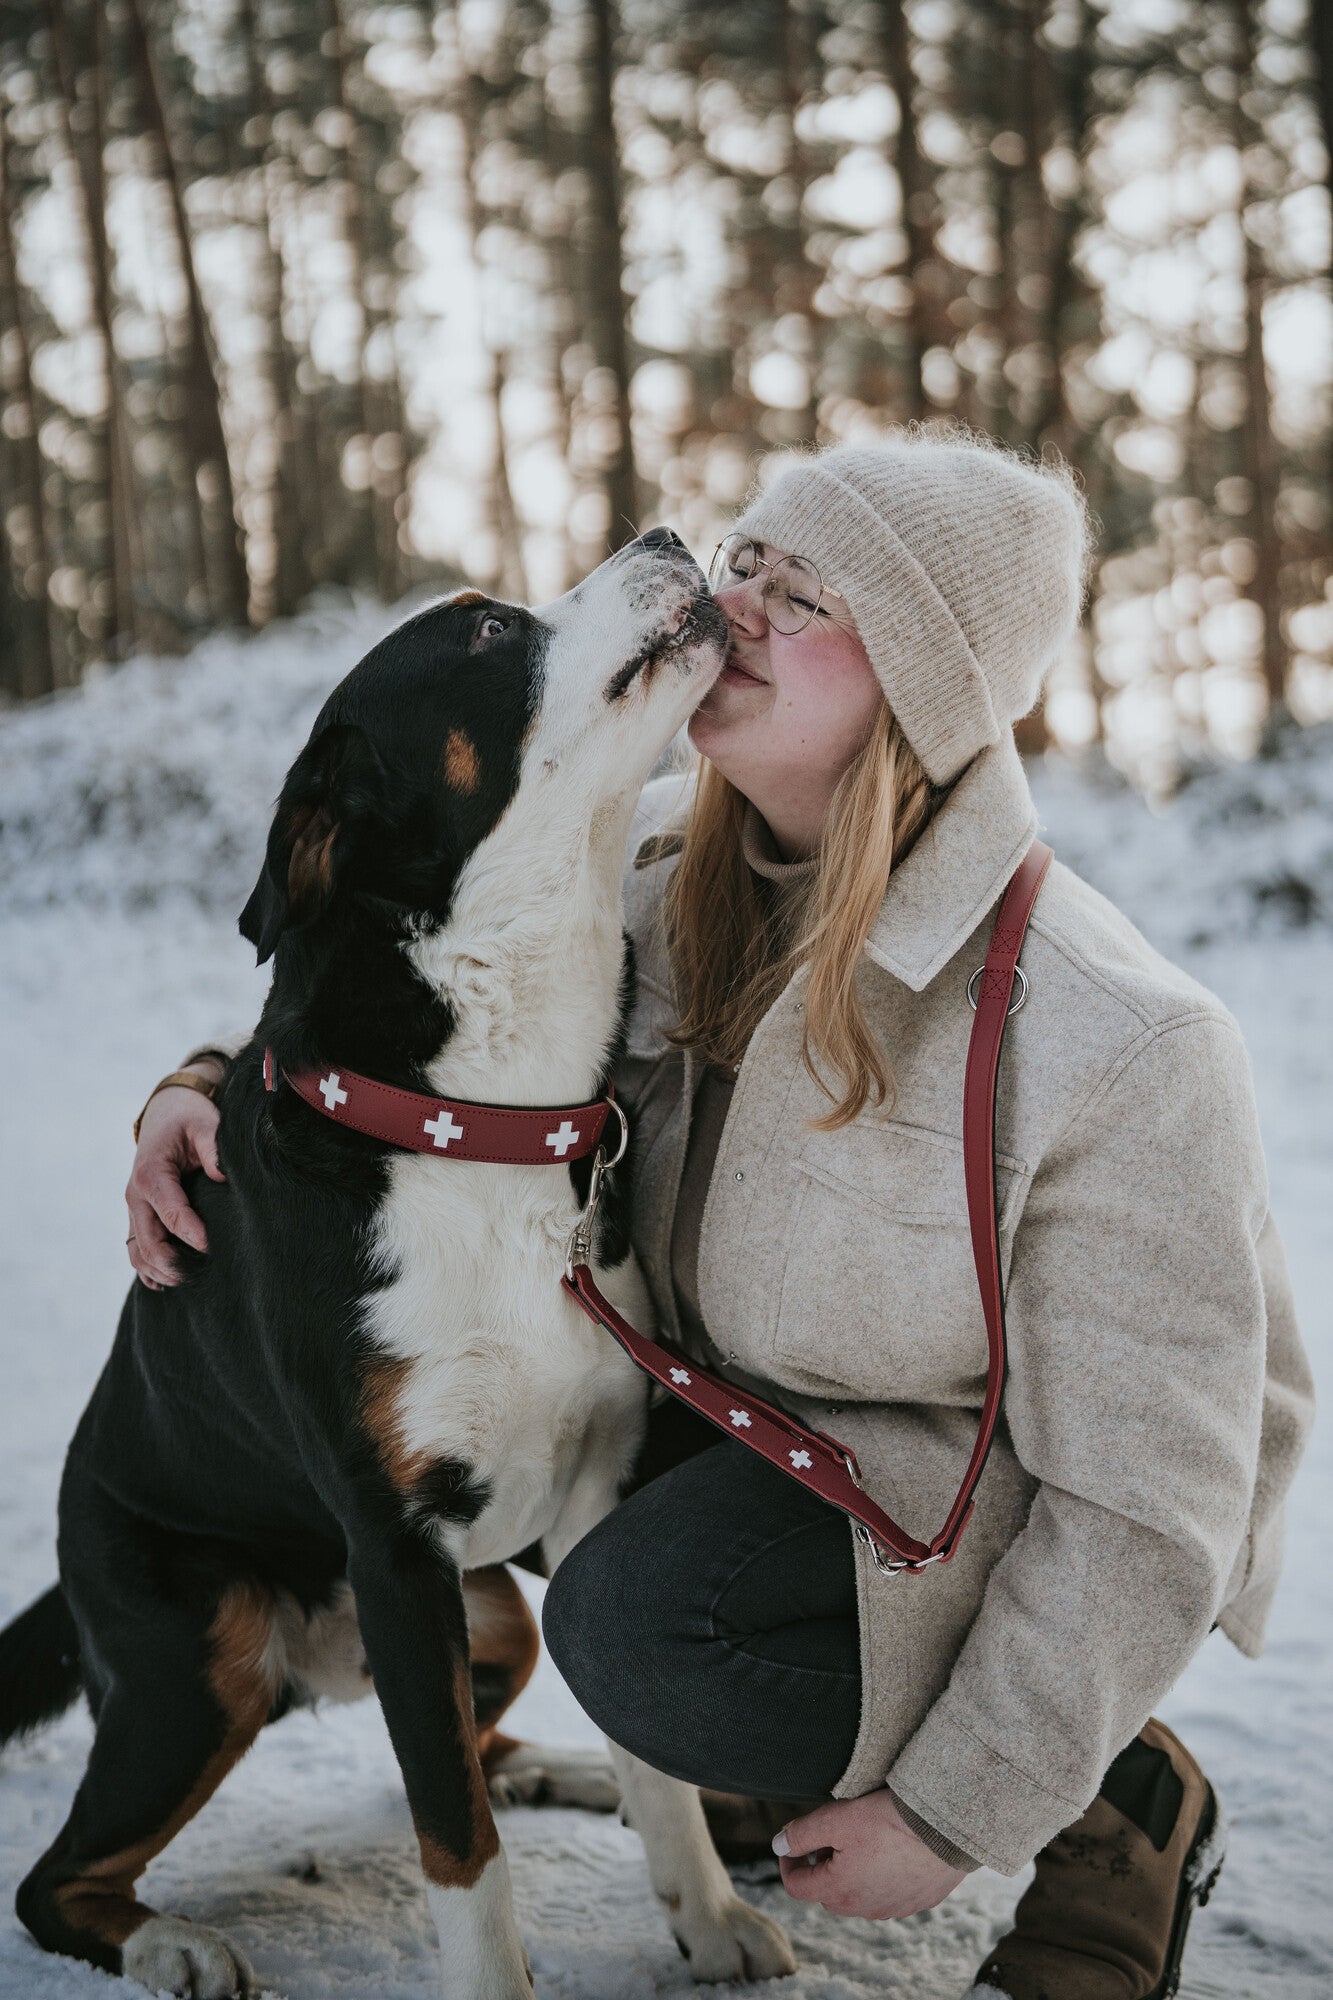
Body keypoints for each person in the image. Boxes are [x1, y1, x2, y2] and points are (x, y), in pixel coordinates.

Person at [126, 431, 1314, 2000]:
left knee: (640, 1626)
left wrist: (957, 1807)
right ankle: (792, 1722)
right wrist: (199, 1080)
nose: (735, 604)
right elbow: (413, 991)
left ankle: (1115, 1798)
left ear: (923, 690)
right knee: (528, 1438)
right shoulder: (663, 890)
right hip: (765, 1440)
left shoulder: (1116, 1043)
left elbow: (1148, 1514)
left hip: (1010, 1505)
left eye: (801, 594)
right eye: (742, 562)